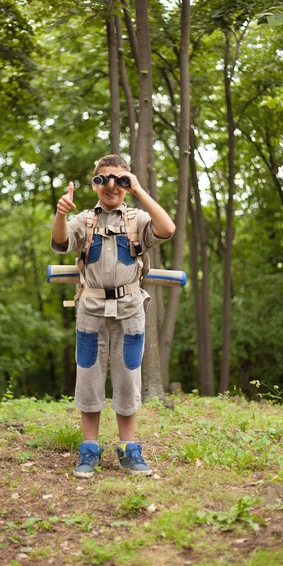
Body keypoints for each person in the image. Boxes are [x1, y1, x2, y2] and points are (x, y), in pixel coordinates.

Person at [51, 154, 175, 478]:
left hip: (130, 312)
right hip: (91, 312)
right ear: (94, 184)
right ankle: (89, 450)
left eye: (119, 179)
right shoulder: (84, 221)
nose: (111, 186)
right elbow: (61, 242)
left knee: (128, 378)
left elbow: (168, 228)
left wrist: (139, 190)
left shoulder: (136, 220)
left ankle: (129, 449)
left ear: (127, 183)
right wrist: (61, 214)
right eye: (102, 179)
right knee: (89, 378)